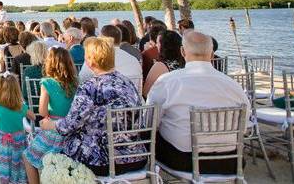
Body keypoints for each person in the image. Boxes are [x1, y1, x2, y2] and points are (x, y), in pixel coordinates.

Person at [40, 37, 146, 176]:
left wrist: (49, 125)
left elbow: (68, 126)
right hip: (136, 157)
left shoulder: (89, 87)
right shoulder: (127, 82)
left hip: (101, 160)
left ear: (90, 61)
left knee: (54, 150)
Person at [147, 32, 250, 174]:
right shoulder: (233, 85)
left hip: (183, 161)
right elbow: (244, 125)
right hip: (231, 161)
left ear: (182, 51)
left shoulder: (168, 81)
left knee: (150, 134)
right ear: (212, 54)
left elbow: (149, 120)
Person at [24, 47, 78, 184]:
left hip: (53, 130)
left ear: (50, 64)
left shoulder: (47, 83)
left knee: (28, 157)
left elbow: (42, 112)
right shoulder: (76, 83)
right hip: (72, 130)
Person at [0, 74, 35, 184]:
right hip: (18, 141)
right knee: (18, 164)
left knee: (5, 163)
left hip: (3, 141)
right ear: (17, 90)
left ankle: (5, 179)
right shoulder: (21, 107)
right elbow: (33, 117)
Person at [79, 25, 143, 94]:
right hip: (135, 102)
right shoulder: (134, 60)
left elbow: (82, 79)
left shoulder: (95, 58)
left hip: (105, 102)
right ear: (119, 39)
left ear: (102, 39)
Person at [143, 30, 184, 97]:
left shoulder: (161, 66)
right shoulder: (186, 63)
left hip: (166, 105)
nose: (156, 46)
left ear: (164, 46)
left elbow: (146, 93)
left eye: (157, 43)